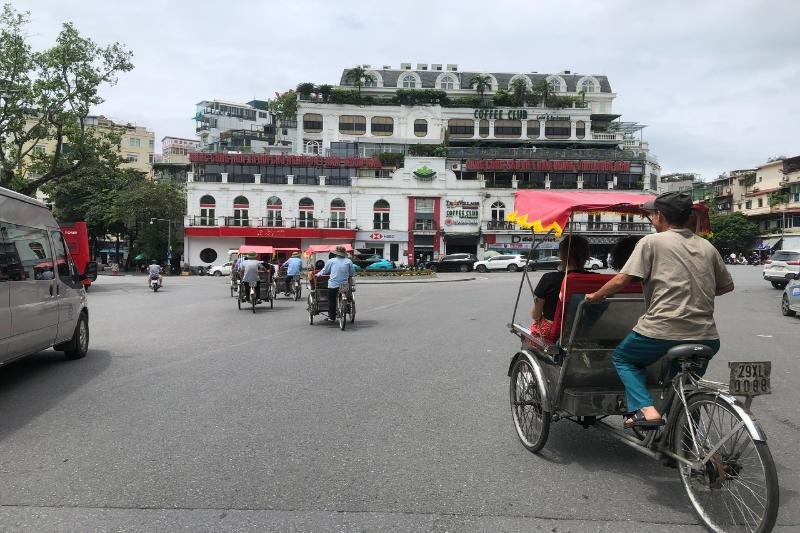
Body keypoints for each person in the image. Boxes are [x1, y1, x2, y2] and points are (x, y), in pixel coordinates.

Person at [585, 192, 734, 429]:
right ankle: (687, 440)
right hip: (706, 336)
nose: (652, 220)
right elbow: (726, 286)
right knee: (684, 389)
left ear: (660, 216)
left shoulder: (651, 242)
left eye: (652, 215)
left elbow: (622, 279)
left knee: (624, 358)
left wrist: (596, 296)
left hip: (661, 332)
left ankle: (646, 409)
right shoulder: (707, 246)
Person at [530, 235, 591, 337]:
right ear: (587, 256)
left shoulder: (549, 279)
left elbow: (535, 315)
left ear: (562, 256)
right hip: (584, 333)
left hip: (556, 334)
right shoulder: (596, 280)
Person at [316, 246, 355, 322]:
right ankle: (345, 305)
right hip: (344, 284)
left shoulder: (331, 261)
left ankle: (332, 317)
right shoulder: (348, 261)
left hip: (333, 285)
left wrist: (318, 274)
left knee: (332, 300)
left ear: (336, 253)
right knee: (346, 296)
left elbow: (325, 271)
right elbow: (352, 273)